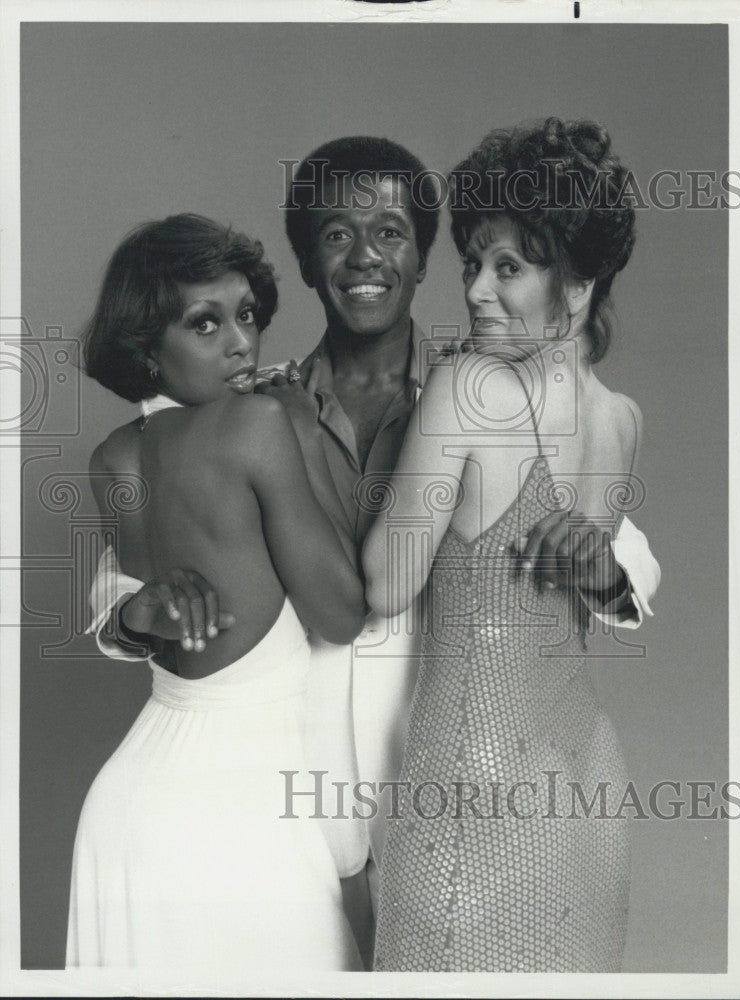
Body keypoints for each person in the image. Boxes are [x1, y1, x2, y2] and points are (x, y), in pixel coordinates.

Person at [87, 136, 660, 968]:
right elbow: (142, 550)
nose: (364, 256)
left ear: (425, 256)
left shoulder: (482, 389)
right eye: (335, 234)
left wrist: (608, 573)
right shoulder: (246, 406)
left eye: (390, 231)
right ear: (309, 262)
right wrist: (129, 617)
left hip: (440, 773)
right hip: (284, 795)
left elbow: (614, 541)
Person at [361, 118, 645, 972]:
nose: (477, 291)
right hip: (587, 785)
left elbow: (384, 581)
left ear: (580, 282)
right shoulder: (623, 418)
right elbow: (587, 585)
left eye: (509, 267)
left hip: (471, 786)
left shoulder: (465, 385)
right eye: (472, 265)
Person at [66, 214, 365, 970]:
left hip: (133, 809)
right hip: (244, 817)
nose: (241, 342)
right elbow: (340, 612)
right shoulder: (262, 424)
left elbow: (138, 603)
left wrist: (133, 613)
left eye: (247, 316)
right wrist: (301, 431)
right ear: (147, 351)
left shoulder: (114, 459)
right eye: (206, 324)